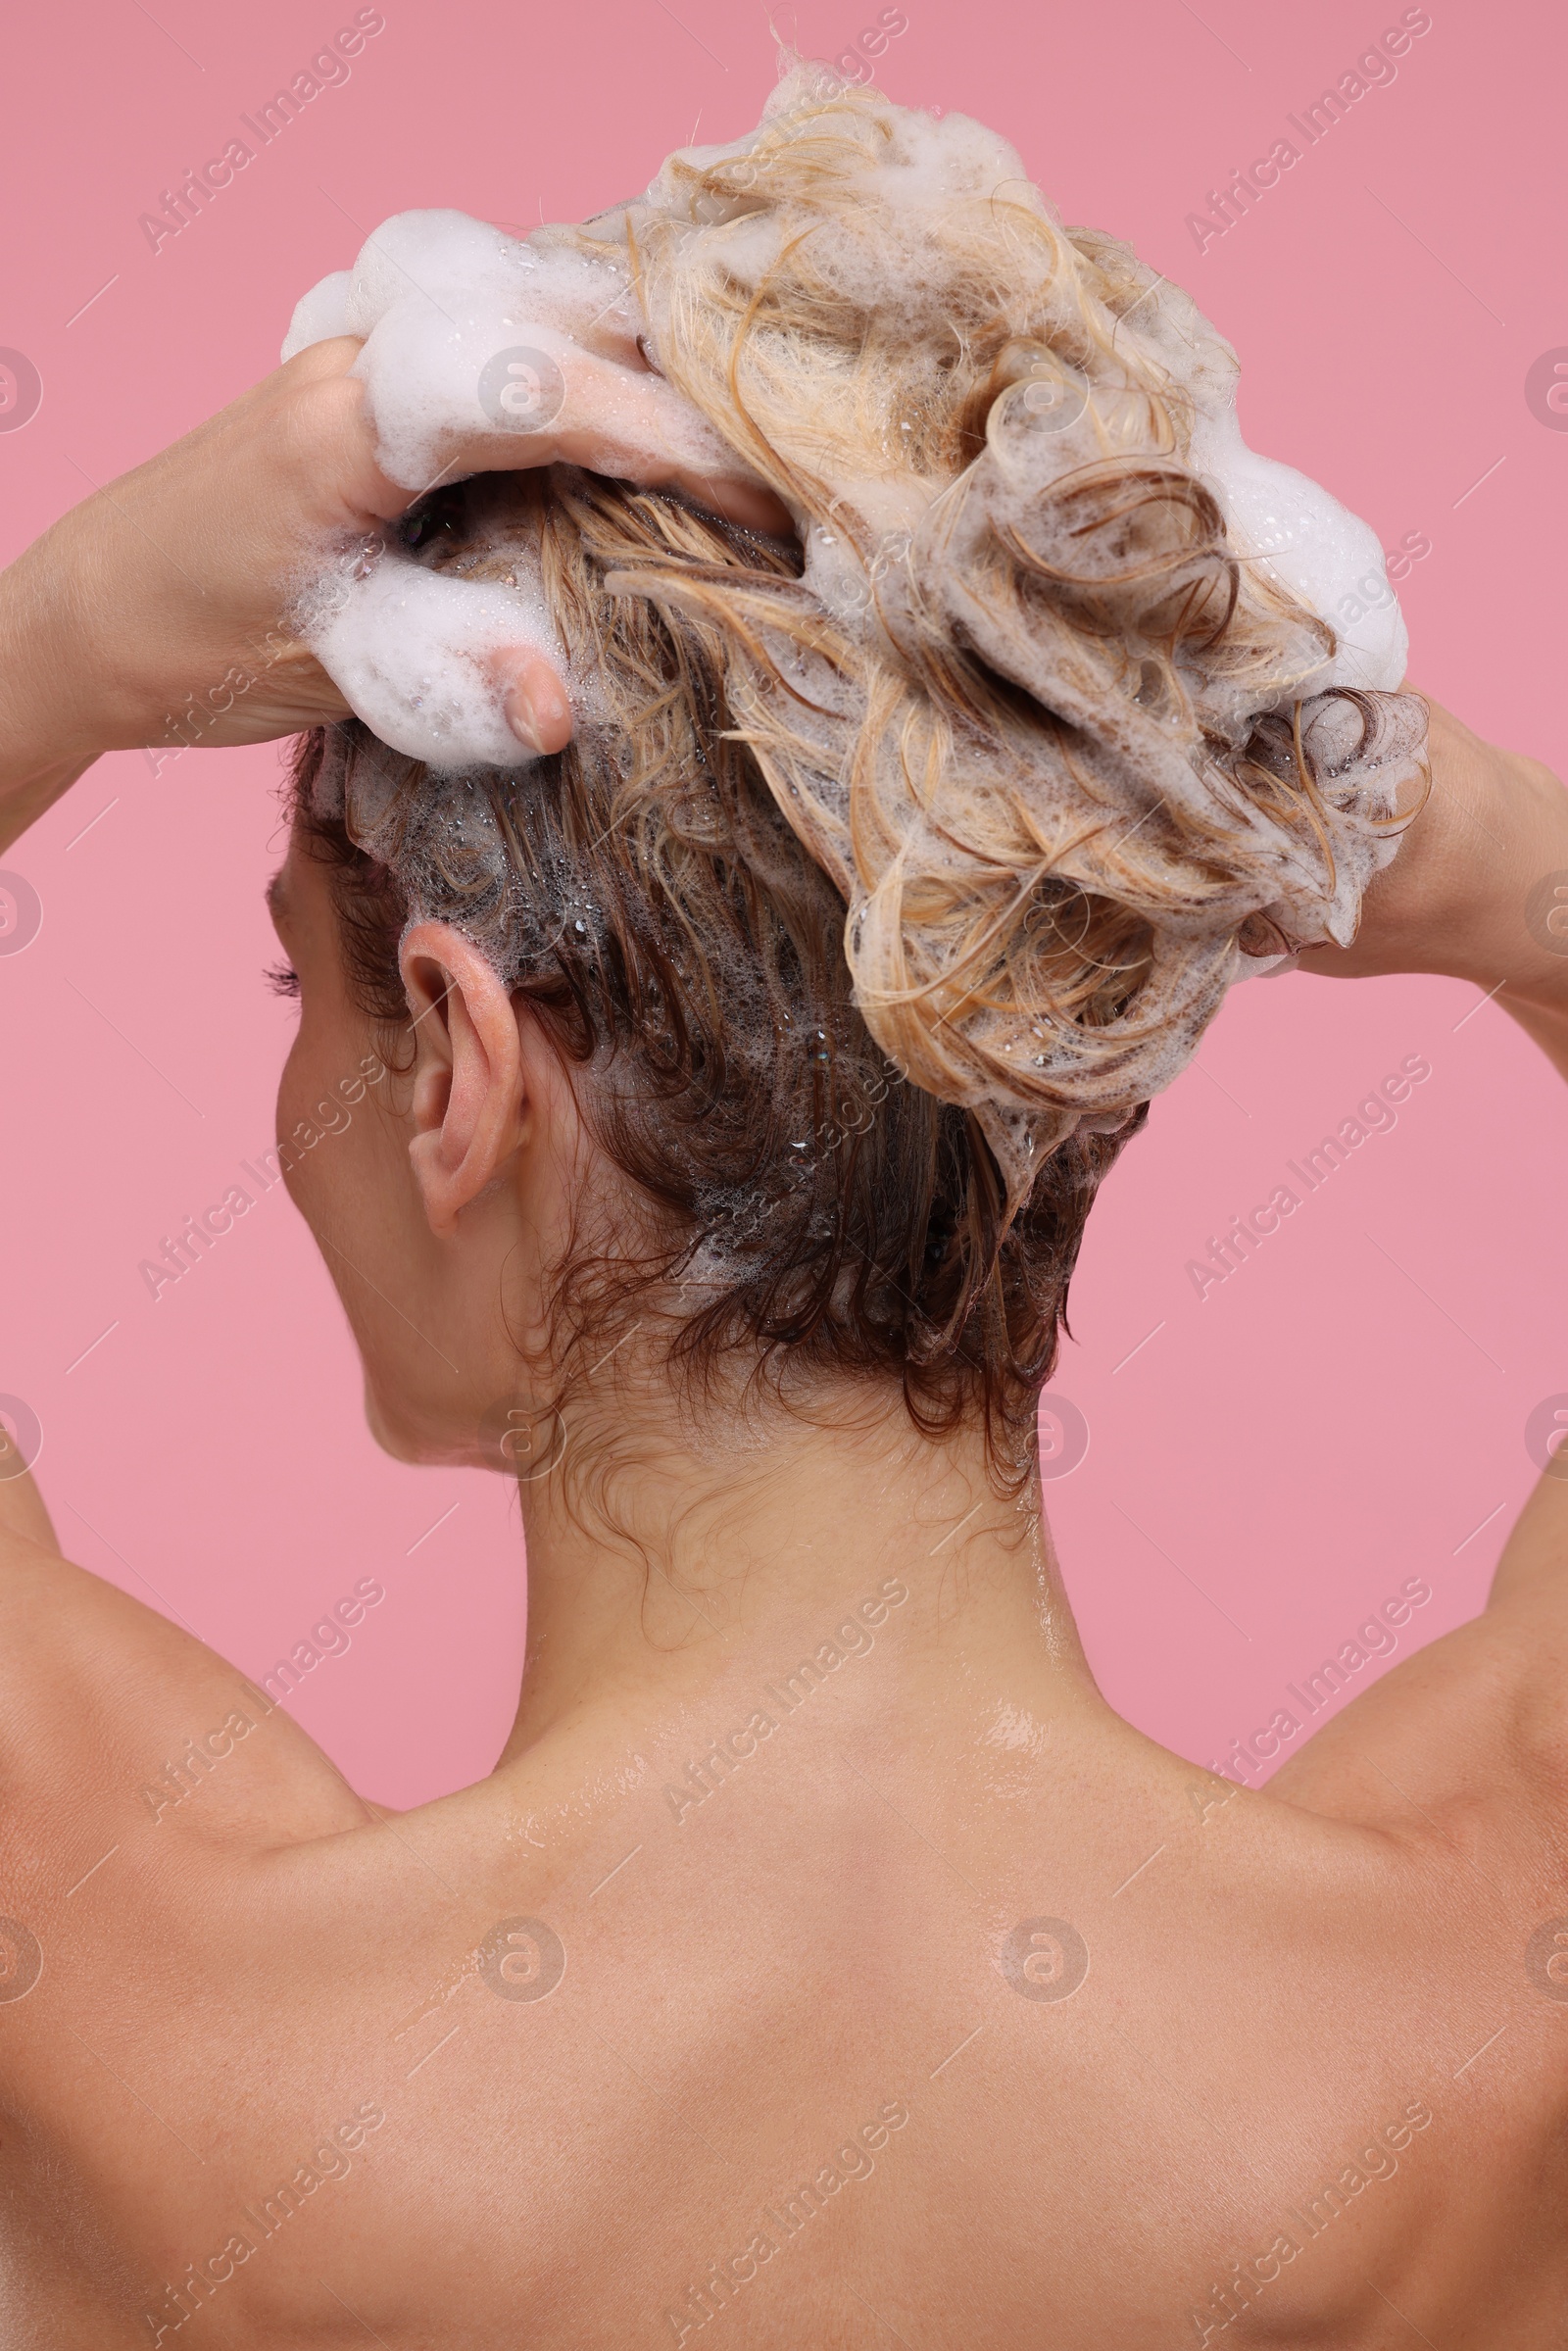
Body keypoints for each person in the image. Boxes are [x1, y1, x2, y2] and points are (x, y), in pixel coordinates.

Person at [4, 135, 1568, 2351]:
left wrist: (62, 631)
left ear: (454, 1064)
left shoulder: (143, 2018)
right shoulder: (1469, 2014)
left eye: (308, 993)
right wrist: (1422, 831)